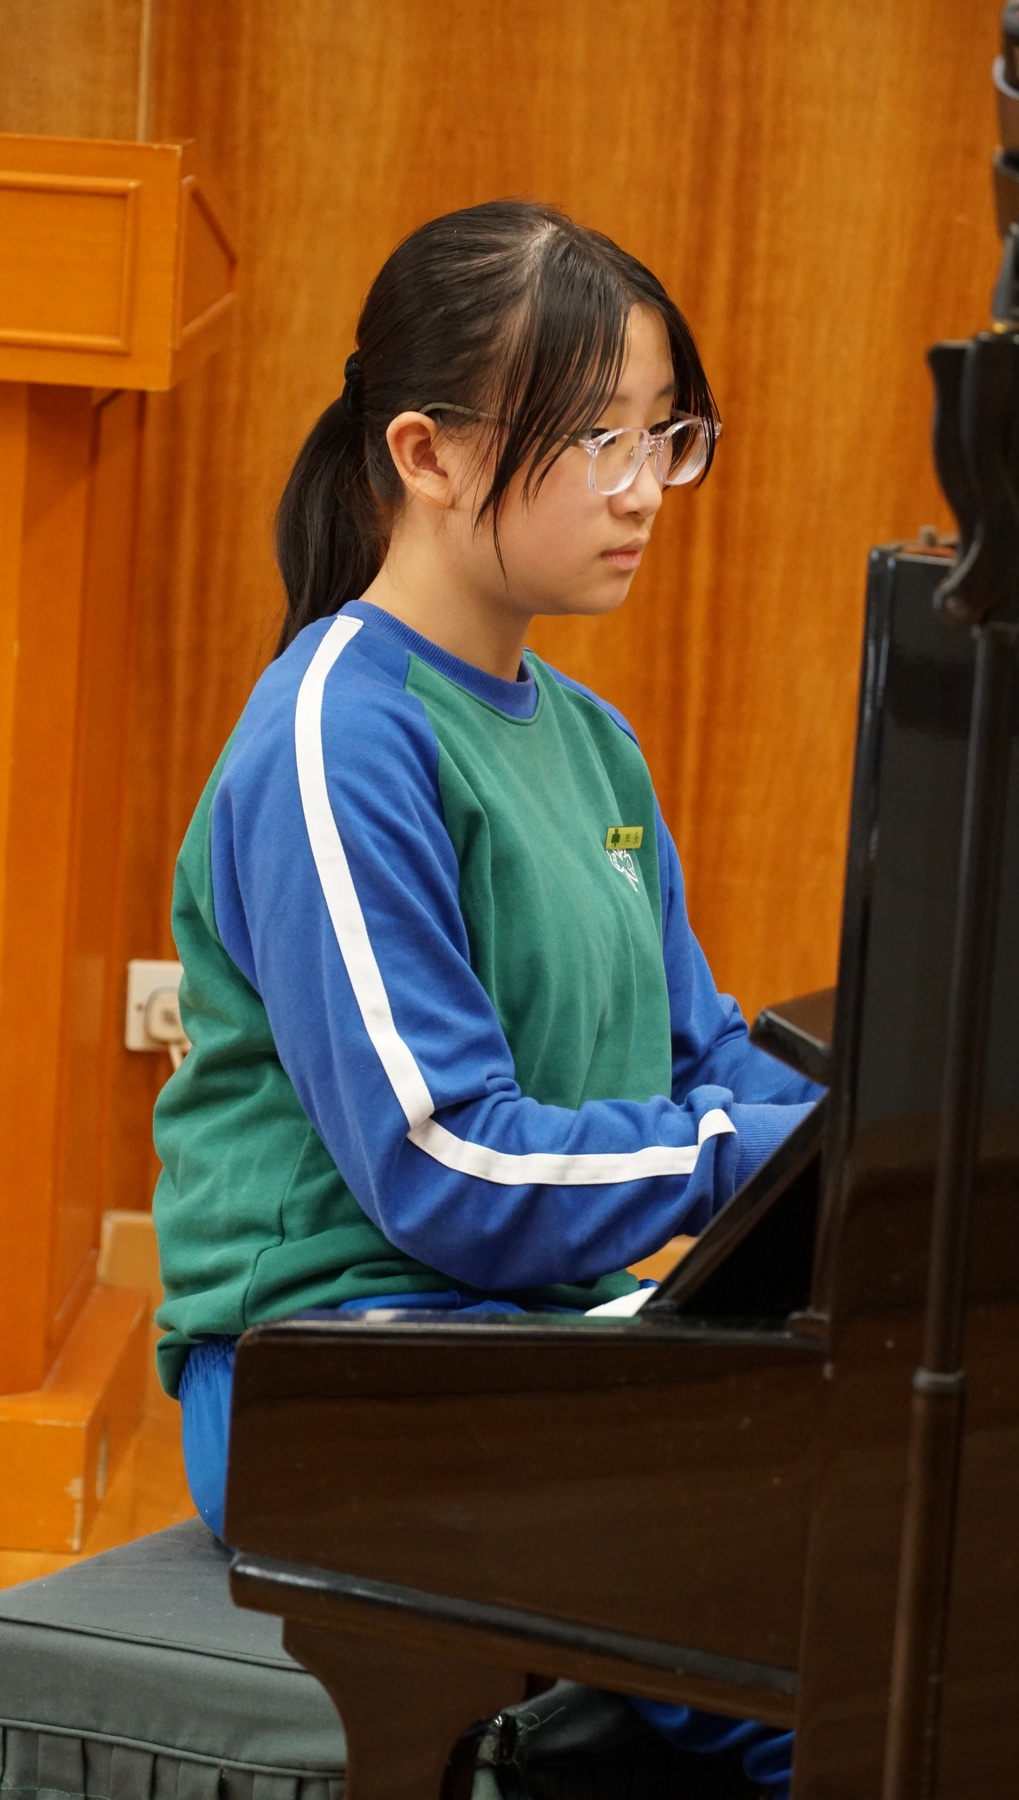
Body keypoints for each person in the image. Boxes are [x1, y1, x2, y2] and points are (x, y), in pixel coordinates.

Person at [152, 199, 819, 1798]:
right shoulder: (336, 733)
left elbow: (702, 1054)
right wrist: (755, 1156)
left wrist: (876, 1147)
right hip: (335, 1380)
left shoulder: (593, 743)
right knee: (829, 1657)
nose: (643, 487)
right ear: (429, 454)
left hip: (534, 1346)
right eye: (598, 439)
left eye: (666, 437)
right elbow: (444, 1160)